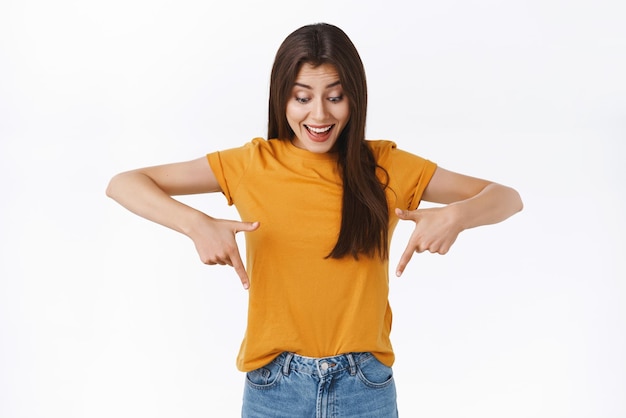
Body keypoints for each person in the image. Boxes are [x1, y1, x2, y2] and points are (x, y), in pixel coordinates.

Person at [106, 22, 523, 418]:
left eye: (335, 96)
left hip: (365, 386)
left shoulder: (387, 166)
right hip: (275, 386)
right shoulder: (252, 164)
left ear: (354, 97)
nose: (319, 115)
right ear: (281, 97)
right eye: (302, 97)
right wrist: (195, 223)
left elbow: (507, 197)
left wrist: (456, 217)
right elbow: (124, 183)